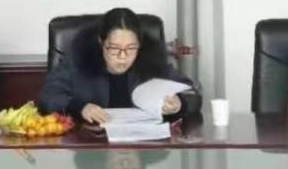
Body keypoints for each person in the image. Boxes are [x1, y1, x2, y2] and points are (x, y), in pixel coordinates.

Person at [37, 7, 200, 125]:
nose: (123, 56)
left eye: (131, 48)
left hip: (141, 146)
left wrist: (180, 103)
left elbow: (192, 92)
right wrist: (80, 108)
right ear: (101, 43)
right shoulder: (79, 59)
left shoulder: (152, 62)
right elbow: (48, 96)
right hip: (92, 145)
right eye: (114, 48)